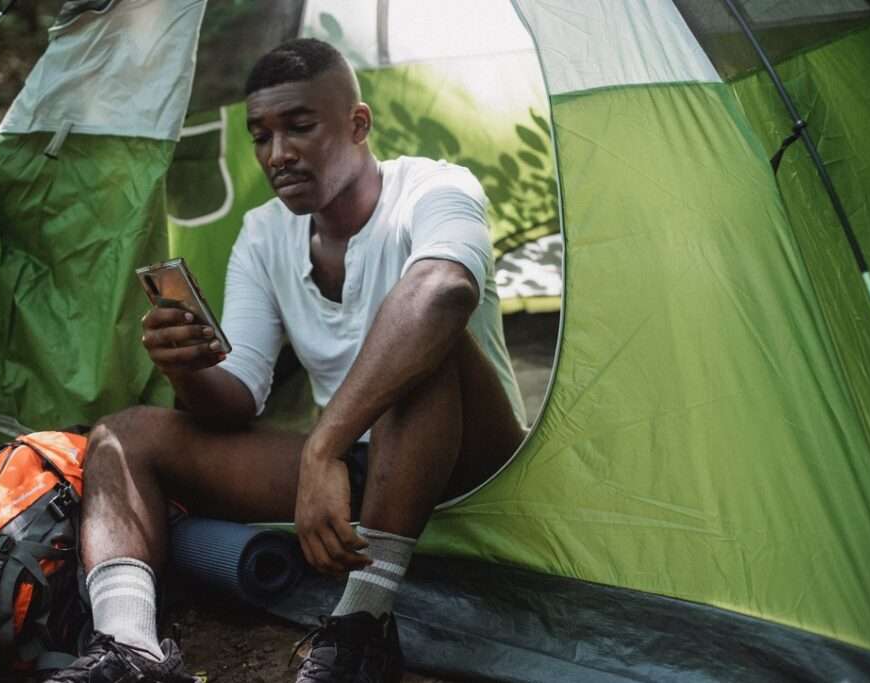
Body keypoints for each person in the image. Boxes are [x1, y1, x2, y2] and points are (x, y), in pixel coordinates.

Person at [47, 38, 527, 683]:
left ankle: (361, 627)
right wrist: (184, 367)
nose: (278, 154)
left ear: (357, 125)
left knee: (427, 334)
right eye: (261, 136)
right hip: (364, 470)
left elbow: (446, 291)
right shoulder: (264, 232)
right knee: (121, 433)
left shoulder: (435, 187)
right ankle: (129, 648)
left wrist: (320, 448)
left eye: (299, 127)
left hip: (474, 459)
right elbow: (239, 394)